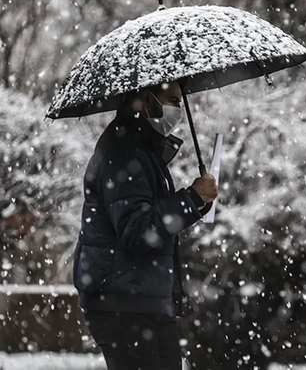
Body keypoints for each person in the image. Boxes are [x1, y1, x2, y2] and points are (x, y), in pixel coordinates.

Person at [72, 81, 218, 370]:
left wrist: (198, 201)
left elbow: (152, 221)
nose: (177, 109)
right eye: (172, 100)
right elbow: (137, 231)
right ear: (146, 98)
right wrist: (190, 200)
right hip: (123, 304)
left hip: (142, 299)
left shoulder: (141, 148)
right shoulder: (124, 150)